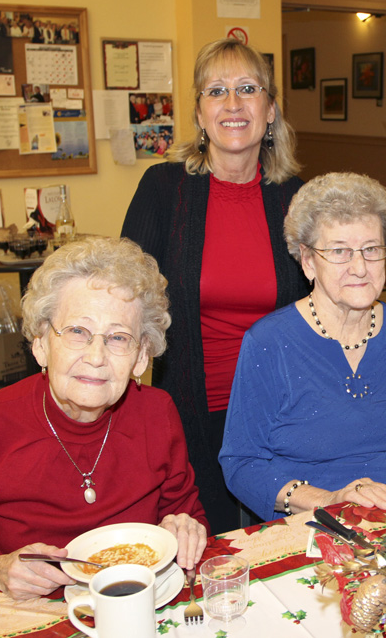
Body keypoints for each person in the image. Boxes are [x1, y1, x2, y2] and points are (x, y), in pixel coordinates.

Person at [0, 238, 208, 606]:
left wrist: (185, 528)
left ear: (140, 358)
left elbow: (190, 518)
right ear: (40, 343)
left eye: (119, 338)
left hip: (135, 608)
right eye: (76, 332)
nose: (96, 356)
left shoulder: (157, 412)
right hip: (31, 617)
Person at [121, 38, 307, 534]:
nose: (232, 104)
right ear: (200, 115)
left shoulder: (297, 198)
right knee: (207, 539)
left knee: (284, 539)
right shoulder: (163, 189)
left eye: (248, 89)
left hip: (284, 404)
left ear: (269, 110)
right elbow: (125, 293)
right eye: (216, 91)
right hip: (189, 404)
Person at [219, 172, 386, 522]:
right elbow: (242, 464)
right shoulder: (268, 343)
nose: (359, 267)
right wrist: (328, 499)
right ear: (307, 261)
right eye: (339, 251)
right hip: (317, 525)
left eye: (371, 249)